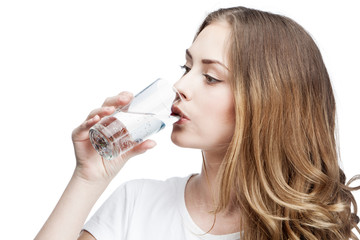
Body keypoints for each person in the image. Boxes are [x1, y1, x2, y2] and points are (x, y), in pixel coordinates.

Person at [35, 6, 360, 240]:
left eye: (211, 76)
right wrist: (88, 179)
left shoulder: (312, 231)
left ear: (269, 102)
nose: (181, 86)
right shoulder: (136, 204)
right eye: (186, 66)